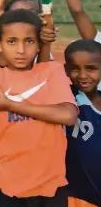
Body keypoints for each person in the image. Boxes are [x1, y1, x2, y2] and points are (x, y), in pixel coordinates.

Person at [0, 9, 77, 207]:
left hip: (51, 185)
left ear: (38, 44)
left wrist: (9, 105)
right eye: (12, 41)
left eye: (29, 41)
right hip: (7, 185)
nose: (21, 50)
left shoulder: (51, 71)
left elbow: (68, 116)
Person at [63, 39, 101, 207]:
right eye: (75, 69)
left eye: (91, 68)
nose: (83, 75)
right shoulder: (66, 98)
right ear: (66, 70)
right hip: (77, 197)